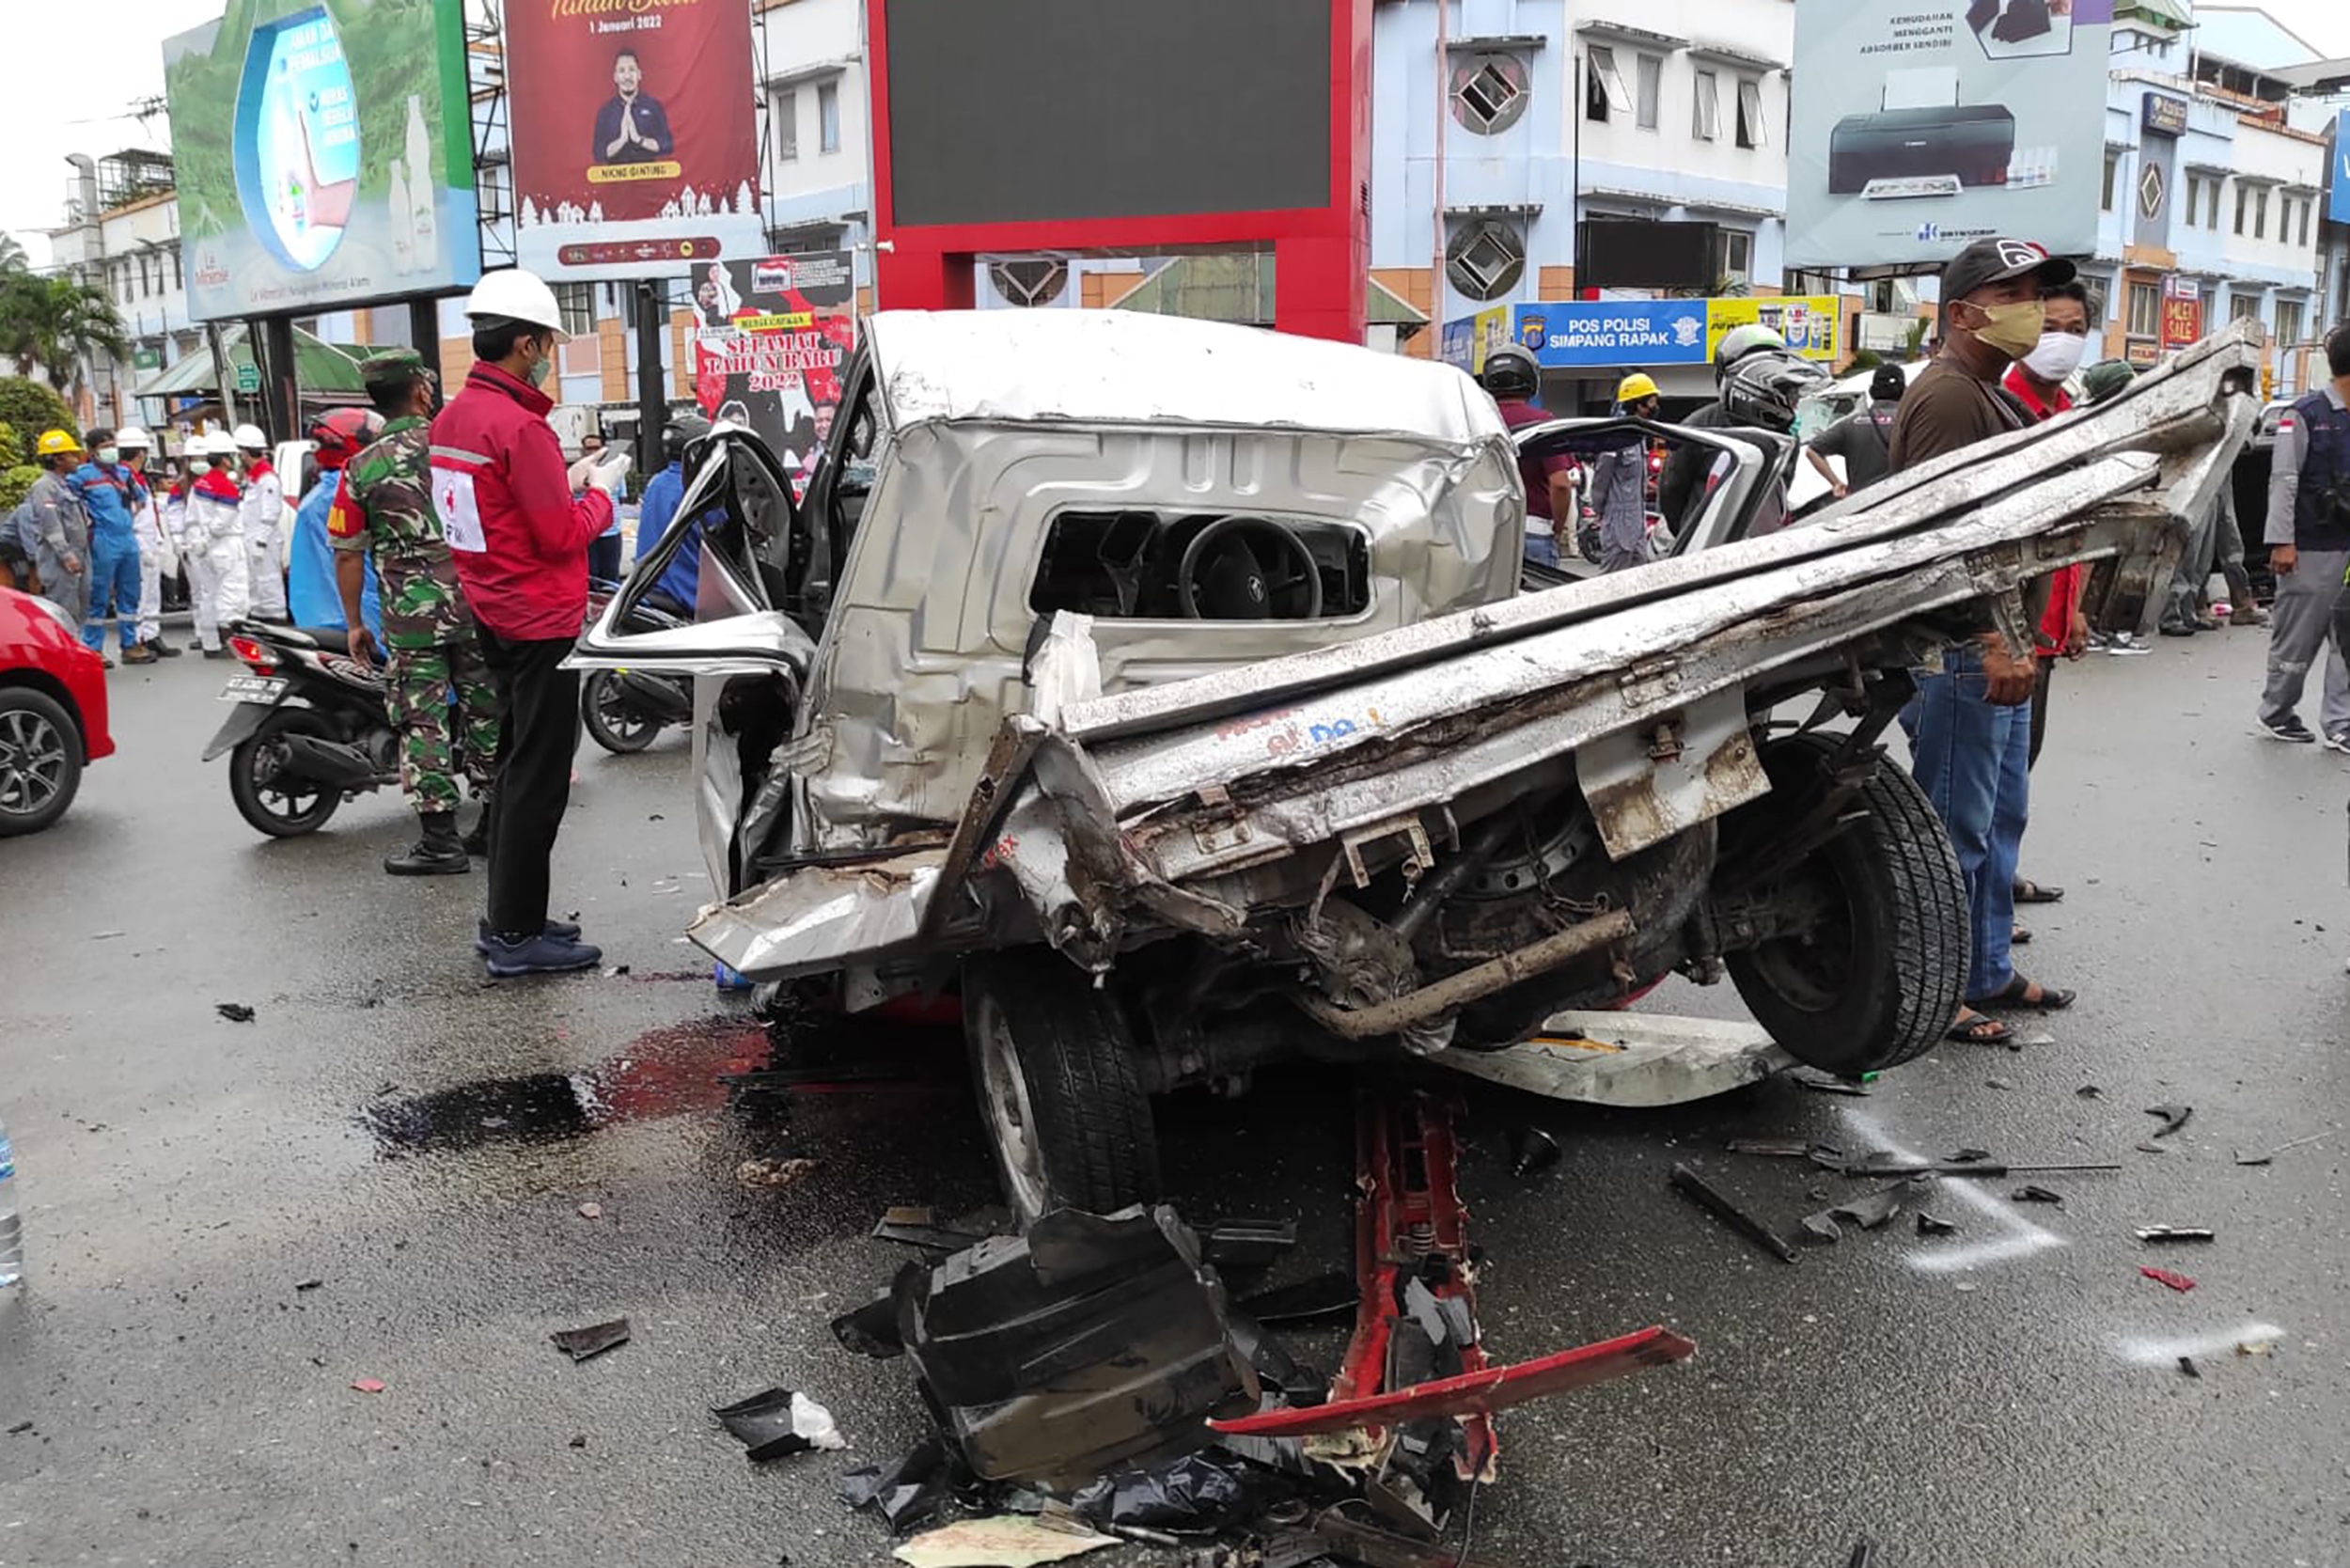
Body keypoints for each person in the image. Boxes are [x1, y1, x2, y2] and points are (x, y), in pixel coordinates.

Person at [1888, 237, 2080, 1044]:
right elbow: (1943, 539)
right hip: (1967, 650)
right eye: (2018, 295)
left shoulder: (1983, 391)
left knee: (2002, 819)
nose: (2035, 312)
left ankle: (1986, 968)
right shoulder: (1948, 397)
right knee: (1954, 830)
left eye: (2038, 293)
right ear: (1965, 311)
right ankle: (1933, 991)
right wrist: (1989, 636)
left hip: (2003, 639)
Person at [432, 269, 627, 976]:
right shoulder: (521, 426)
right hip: (540, 617)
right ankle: (515, 938)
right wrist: (601, 493)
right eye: (546, 340)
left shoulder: (456, 418)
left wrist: (566, 479)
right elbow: (560, 536)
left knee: (516, 769)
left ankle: (511, 918)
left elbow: (490, 512)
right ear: (522, 343)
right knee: (537, 780)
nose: (549, 350)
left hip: (494, 610)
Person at [333, 351, 502, 878]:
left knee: (421, 720)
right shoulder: (458, 450)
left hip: (411, 619)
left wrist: (354, 623)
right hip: (476, 605)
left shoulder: (362, 467)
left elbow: (346, 550)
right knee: (486, 710)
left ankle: (440, 841)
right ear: (423, 393)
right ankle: (496, 824)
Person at [2256, 322, 2350, 749]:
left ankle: (2341, 723)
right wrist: (2282, 541)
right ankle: (2277, 710)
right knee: (2298, 639)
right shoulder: (2306, 414)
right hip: (2312, 545)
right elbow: (2284, 479)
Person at [1657, 322, 1788, 532]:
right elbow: (1672, 490)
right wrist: (1689, 532)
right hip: (1709, 542)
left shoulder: (1786, 427)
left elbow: (1784, 486)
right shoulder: (1697, 427)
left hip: (1763, 543)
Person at [290, 408, 384, 639]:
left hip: (322, 615)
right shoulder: (346, 490)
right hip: (356, 617)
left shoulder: (323, 491)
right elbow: (349, 557)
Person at [1480, 345, 1577, 566]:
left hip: (1484, 534)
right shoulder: (1542, 423)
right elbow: (1561, 484)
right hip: (1534, 531)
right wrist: (1557, 528)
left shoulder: (1475, 420)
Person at [69, 428, 154, 665]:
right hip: (102, 538)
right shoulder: (82, 475)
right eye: (105, 447)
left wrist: (132, 511)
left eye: (112, 445)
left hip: (127, 537)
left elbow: (141, 499)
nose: (111, 450)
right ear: (92, 451)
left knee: (131, 592)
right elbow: (68, 501)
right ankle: (93, 647)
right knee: (99, 593)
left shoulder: (124, 473)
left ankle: (130, 644)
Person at [633, 415, 717, 613]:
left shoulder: (657, 482)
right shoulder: (698, 488)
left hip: (649, 585)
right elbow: (724, 533)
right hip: (687, 591)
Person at [113, 429, 180, 658]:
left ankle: (151, 635)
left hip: (150, 540)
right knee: (138, 596)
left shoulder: (139, 478)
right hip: (137, 541)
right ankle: (136, 639)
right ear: (140, 453)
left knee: (152, 595)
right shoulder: (122, 478)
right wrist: (141, 545)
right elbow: (126, 516)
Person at [1586, 372, 1661, 572]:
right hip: (1617, 519)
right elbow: (1602, 477)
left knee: (1638, 580)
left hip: (1637, 522)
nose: (1655, 407)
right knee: (1611, 581)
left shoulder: (1639, 435)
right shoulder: (1616, 435)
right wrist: (1600, 512)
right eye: (1651, 402)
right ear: (1637, 404)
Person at [186, 433, 251, 654]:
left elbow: (191, 518)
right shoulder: (226, 487)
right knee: (233, 595)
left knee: (209, 595)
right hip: (226, 546)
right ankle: (232, 644)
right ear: (225, 460)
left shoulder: (199, 485)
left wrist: (198, 542)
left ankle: (210, 644)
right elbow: (222, 522)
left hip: (205, 551)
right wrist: (207, 539)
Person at [1805, 365, 1908, 500]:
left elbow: (1812, 451)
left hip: (1860, 504)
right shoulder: (1911, 422)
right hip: (1901, 502)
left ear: (1872, 390)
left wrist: (1836, 483)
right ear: (1904, 390)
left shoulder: (1851, 423)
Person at [24, 431, 90, 635]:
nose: (77, 459)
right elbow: (50, 526)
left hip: (79, 554)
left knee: (80, 610)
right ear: (58, 458)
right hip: (60, 559)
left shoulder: (64, 485)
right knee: (64, 612)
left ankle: (77, 655)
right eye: (71, 455)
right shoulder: (44, 487)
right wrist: (67, 556)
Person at [233, 424, 288, 619]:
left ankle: (275, 617)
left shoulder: (267, 479)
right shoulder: (252, 478)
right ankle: (258, 616)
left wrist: (261, 541)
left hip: (264, 541)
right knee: (254, 581)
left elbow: (270, 513)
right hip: (251, 538)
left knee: (269, 580)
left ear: (246, 453)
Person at [591, 48, 673, 165]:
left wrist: (638, 139)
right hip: (616, 182)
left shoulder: (653, 107)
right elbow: (598, 153)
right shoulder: (605, 112)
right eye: (622, 71)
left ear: (639, 75)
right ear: (615, 77)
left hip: (648, 180)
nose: (627, 77)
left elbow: (667, 145)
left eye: (631, 70)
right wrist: (622, 140)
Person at [578, 432, 626, 582]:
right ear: (583, 451)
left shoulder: (614, 470)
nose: (593, 452)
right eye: (589, 448)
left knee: (611, 575)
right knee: (591, 575)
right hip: (588, 532)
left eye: (596, 448)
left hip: (611, 531)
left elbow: (621, 497)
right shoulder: (578, 472)